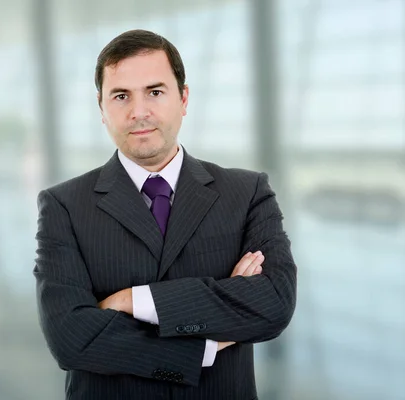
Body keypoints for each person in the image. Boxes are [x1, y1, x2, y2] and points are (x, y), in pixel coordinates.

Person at [33, 29, 297, 400]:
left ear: (183, 98)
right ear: (101, 108)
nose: (139, 112)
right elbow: (71, 338)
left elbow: (274, 302)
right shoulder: (63, 206)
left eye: (155, 92)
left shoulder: (247, 193)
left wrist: (134, 301)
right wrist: (207, 344)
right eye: (121, 96)